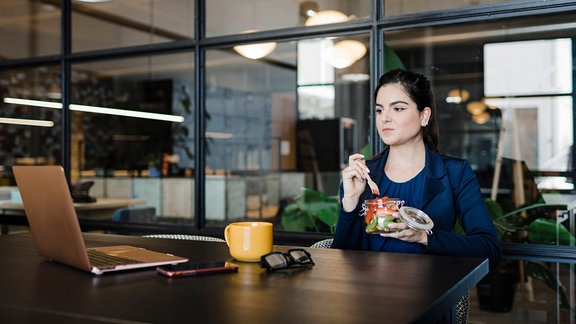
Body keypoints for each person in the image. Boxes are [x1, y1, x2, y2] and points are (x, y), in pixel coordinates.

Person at [332, 69, 501, 271]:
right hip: (369, 294)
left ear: (424, 116)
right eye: (379, 110)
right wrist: (350, 202)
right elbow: (340, 260)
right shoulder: (362, 175)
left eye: (398, 109)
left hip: (429, 294)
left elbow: (489, 249)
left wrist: (423, 236)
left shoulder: (455, 173)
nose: (384, 118)